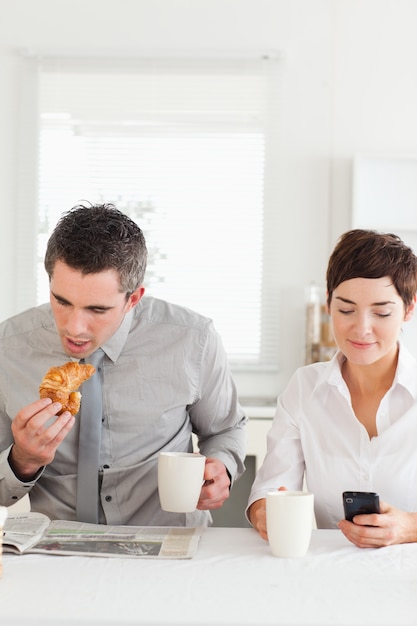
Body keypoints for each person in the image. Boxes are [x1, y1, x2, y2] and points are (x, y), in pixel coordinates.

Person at [0, 202, 247, 527]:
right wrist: (23, 460)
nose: (74, 327)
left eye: (97, 309)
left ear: (133, 298)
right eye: (61, 301)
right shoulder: (9, 347)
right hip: (57, 552)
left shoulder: (192, 340)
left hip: (167, 543)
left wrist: (222, 466)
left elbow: (226, 429)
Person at [247, 229, 417, 548]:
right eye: (346, 309)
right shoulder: (304, 388)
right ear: (328, 304)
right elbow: (269, 490)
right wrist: (264, 512)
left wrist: (410, 527)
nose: (361, 328)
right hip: (328, 573)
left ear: (409, 309)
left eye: (381, 312)